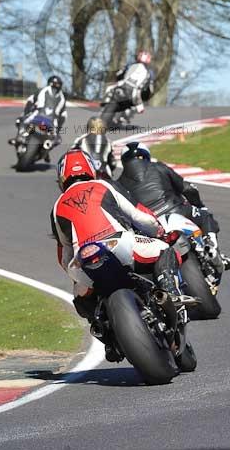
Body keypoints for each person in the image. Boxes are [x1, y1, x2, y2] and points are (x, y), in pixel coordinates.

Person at [50, 148, 184, 361]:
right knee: (163, 250)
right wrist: (159, 232)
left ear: (62, 176)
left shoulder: (57, 207)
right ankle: (170, 291)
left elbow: (64, 255)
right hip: (119, 242)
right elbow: (139, 216)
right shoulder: (104, 185)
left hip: (82, 261)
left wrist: (74, 273)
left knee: (80, 298)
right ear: (91, 168)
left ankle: (106, 337)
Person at [117, 141, 230, 277]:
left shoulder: (118, 184)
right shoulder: (159, 167)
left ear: (124, 161)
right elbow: (188, 189)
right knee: (204, 214)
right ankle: (212, 246)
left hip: (149, 223)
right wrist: (198, 205)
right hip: (175, 210)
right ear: (146, 156)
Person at [17, 75, 67, 161]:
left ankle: (44, 149)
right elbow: (63, 116)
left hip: (39, 119)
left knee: (22, 120)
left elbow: (30, 101)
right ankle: (22, 137)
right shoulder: (62, 98)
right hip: (46, 122)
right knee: (57, 138)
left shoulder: (43, 91)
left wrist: (26, 113)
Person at [112, 50, 155, 124]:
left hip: (135, 89)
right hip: (125, 85)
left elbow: (150, 85)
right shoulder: (131, 65)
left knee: (137, 105)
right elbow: (120, 72)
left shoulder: (149, 72)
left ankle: (124, 116)